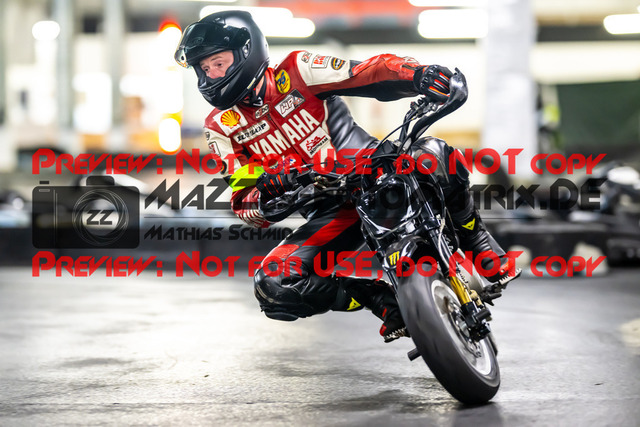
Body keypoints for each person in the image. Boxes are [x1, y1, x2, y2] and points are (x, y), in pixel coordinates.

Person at [175, 11, 519, 342]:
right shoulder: (221, 127)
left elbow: (367, 72)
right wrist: (269, 190)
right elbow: (245, 202)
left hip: (377, 172)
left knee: (432, 152)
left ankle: (475, 238)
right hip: (330, 211)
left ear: (246, 52)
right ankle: (378, 299)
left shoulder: (298, 70)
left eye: (218, 63)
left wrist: (419, 74)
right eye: (204, 69)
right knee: (274, 284)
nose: (211, 76)